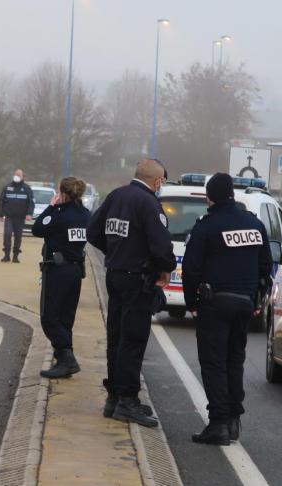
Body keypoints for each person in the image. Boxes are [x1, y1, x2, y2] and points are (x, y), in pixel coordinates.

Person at [182, 173, 273, 445]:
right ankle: (233, 420)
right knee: (235, 361)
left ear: (209, 197)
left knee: (214, 363)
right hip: (245, 302)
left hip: (215, 303)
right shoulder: (254, 224)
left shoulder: (206, 227)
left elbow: (191, 269)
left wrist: (192, 303)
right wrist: (257, 299)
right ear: (232, 194)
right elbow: (266, 266)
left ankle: (219, 422)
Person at [87, 158, 176, 428]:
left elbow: (93, 232)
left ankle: (114, 397)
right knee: (133, 340)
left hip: (114, 275)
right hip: (138, 279)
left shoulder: (116, 196)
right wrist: (164, 267)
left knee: (115, 337)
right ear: (158, 181)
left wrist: (116, 252)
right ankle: (127, 400)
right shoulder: (149, 204)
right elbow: (161, 247)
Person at [32, 177, 91, 378]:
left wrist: (50, 208)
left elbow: (37, 229)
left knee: (49, 318)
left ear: (62, 194)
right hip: (75, 271)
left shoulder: (58, 214)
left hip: (57, 271)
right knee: (66, 318)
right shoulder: (85, 215)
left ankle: (67, 359)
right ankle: (63, 361)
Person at [0, 169, 35, 263]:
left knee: (18, 236)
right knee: (7, 234)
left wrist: (29, 213)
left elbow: (31, 202)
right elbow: (1, 201)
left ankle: (15, 256)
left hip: (20, 217)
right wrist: (0, 214)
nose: (17, 176)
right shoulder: (7, 187)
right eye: (16, 174)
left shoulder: (27, 188)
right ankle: (6, 255)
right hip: (9, 216)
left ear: (23, 177)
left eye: (19, 175)